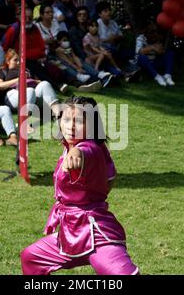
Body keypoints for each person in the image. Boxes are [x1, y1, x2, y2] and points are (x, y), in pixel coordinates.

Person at [21, 96, 139, 275]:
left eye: (79, 121)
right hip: (70, 232)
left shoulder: (89, 148)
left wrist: (77, 154)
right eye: (67, 120)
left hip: (97, 233)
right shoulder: (80, 147)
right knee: (31, 258)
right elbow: (109, 180)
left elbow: (85, 152)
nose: (71, 126)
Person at [0, 48, 60, 116]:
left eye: (20, 59)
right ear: (8, 61)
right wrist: (19, 79)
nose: (18, 62)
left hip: (32, 95)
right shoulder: (2, 70)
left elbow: (38, 82)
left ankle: (57, 113)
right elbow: (0, 86)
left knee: (45, 84)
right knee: (29, 91)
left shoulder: (26, 70)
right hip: (13, 95)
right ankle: (24, 120)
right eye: (15, 60)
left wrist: (35, 81)